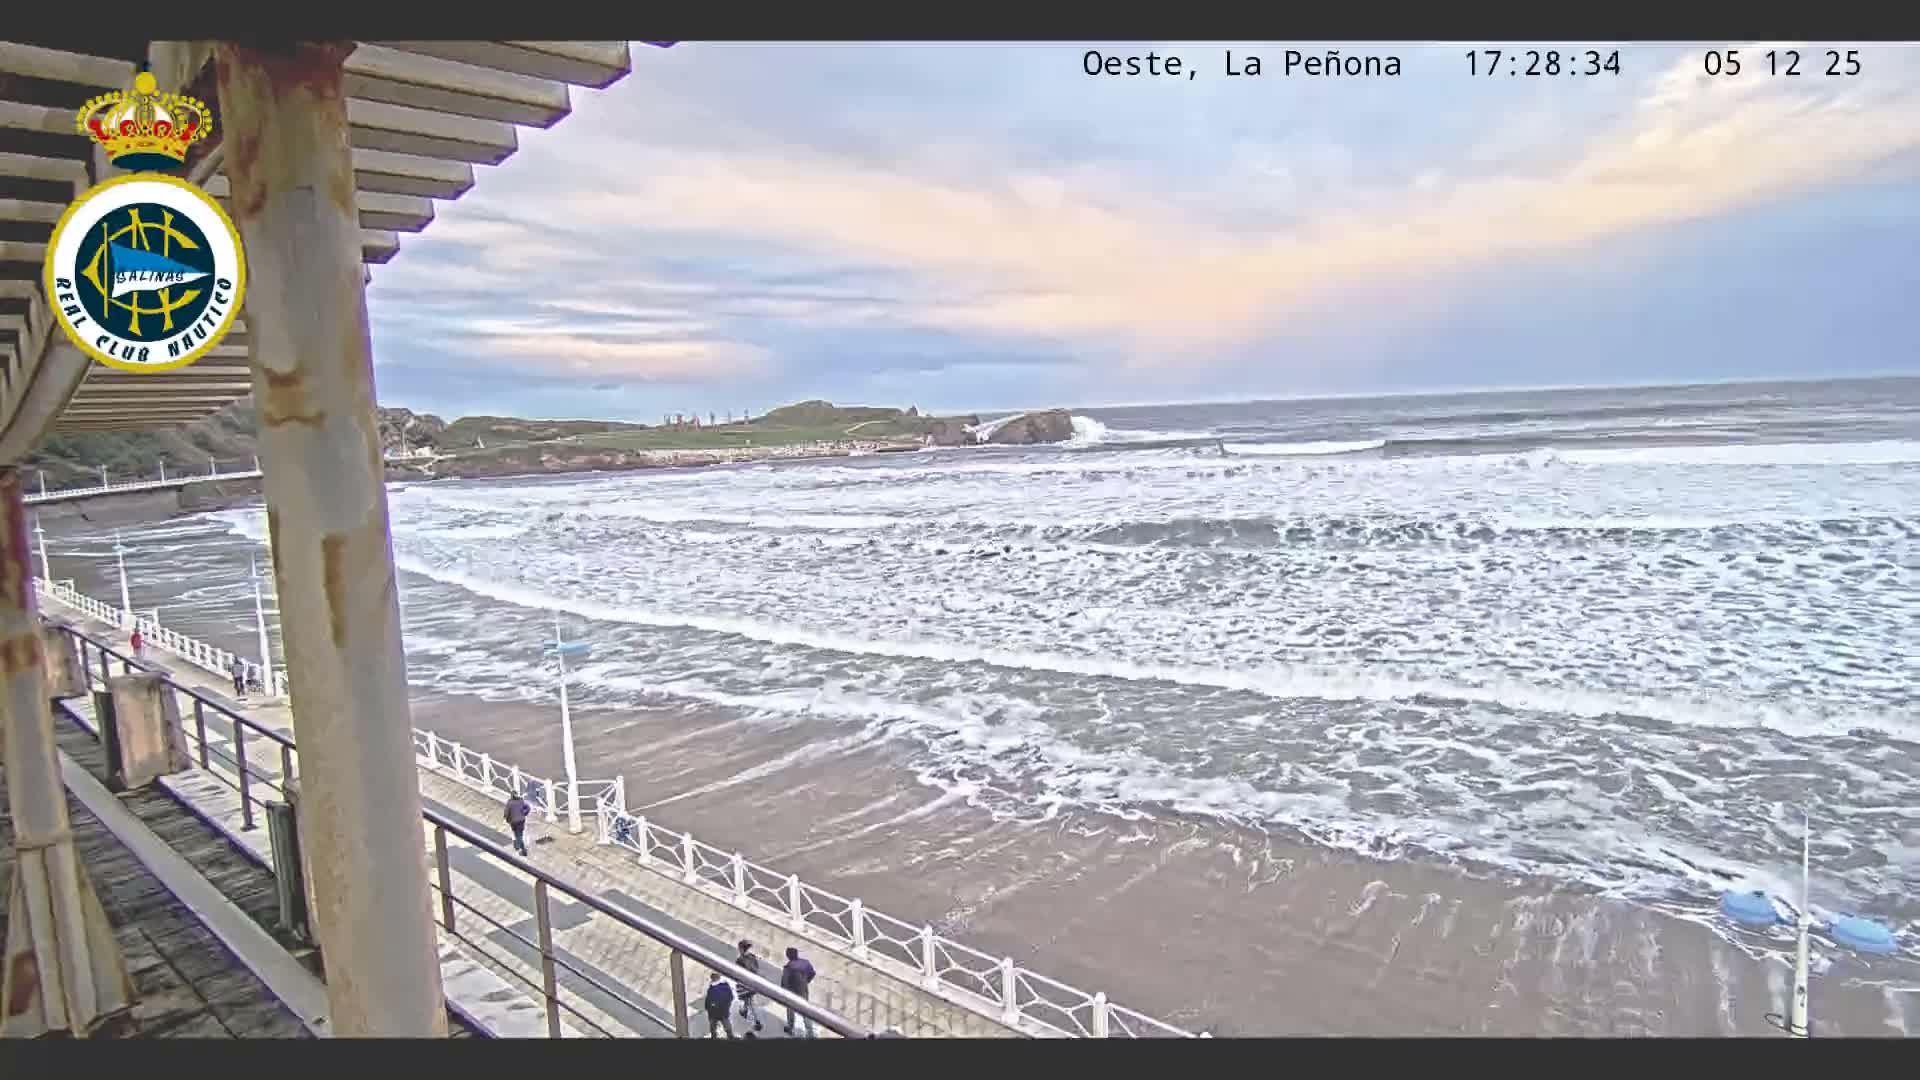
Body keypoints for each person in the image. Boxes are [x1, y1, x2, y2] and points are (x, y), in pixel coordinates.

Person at [780, 946, 817, 1038]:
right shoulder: (805, 963)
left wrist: (784, 991)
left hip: (792, 992)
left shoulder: (788, 967)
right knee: (805, 1011)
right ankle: (810, 1032)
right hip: (803, 991)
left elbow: (784, 982)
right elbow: (812, 973)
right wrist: (806, 981)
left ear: (788, 956)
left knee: (790, 1010)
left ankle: (790, 1027)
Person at [734, 940, 764, 1032]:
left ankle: (757, 1022)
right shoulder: (752, 957)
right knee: (748, 999)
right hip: (753, 982)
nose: (738, 949)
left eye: (739, 948)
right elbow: (756, 969)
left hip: (745, 984)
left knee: (751, 1002)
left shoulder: (739, 960)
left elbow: (738, 973)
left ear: (742, 949)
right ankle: (744, 1010)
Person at [703, 973, 735, 1039]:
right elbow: (730, 997)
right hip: (719, 1010)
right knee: (724, 1025)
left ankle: (726, 1036)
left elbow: (708, 999)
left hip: (717, 1010)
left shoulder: (714, 988)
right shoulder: (723, 987)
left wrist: (709, 1006)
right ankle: (729, 1036)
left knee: (716, 1026)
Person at [504, 792, 531, 856]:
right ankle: (518, 846)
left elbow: (506, 813)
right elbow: (528, 808)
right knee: (520, 834)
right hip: (521, 820)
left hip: (514, 821)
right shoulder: (521, 801)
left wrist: (507, 820)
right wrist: (524, 814)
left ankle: (522, 849)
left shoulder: (509, 802)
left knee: (517, 835)